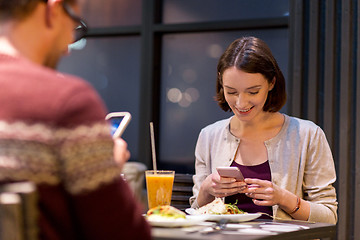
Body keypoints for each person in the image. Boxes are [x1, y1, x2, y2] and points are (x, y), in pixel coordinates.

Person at [0, 0, 151, 239]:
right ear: (54, 10)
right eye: (75, 26)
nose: (68, 48)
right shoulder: (65, 101)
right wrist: (108, 167)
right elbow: (123, 234)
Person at [190, 36, 338, 224]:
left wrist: (284, 199)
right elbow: (194, 215)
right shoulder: (209, 136)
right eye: (231, 92)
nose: (241, 103)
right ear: (221, 84)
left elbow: (329, 217)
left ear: (271, 83)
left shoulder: (307, 135)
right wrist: (205, 190)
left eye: (253, 92)